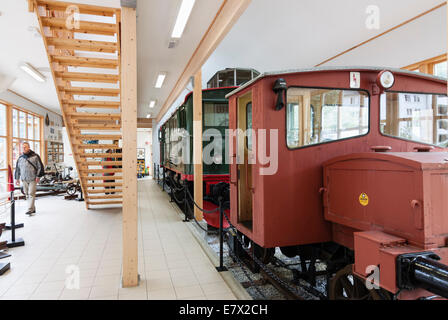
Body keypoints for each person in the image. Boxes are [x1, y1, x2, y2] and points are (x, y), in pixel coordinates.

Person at [15, 142, 44, 216]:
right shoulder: (20, 158)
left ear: (29, 147)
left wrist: (38, 176)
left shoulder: (35, 156)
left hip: (33, 178)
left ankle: (29, 209)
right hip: (24, 179)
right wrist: (17, 179)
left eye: (25, 147)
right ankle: (33, 208)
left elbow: (40, 167)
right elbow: (17, 169)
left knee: (31, 193)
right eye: (22, 147)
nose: (23, 148)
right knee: (27, 194)